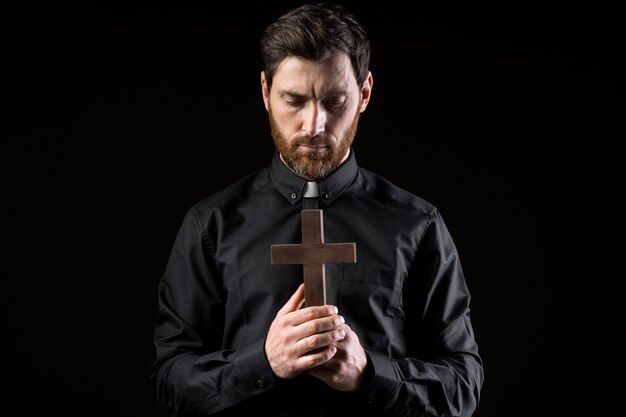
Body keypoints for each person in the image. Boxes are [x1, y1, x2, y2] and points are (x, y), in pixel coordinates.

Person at [149, 3, 484, 416]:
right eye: (294, 100)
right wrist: (262, 362)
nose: (314, 126)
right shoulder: (210, 225)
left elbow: (464, 385)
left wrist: (369, 375)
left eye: (334, 101)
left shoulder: (417, 225)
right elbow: (170, 384)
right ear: (265, 93)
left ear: (364, 94)